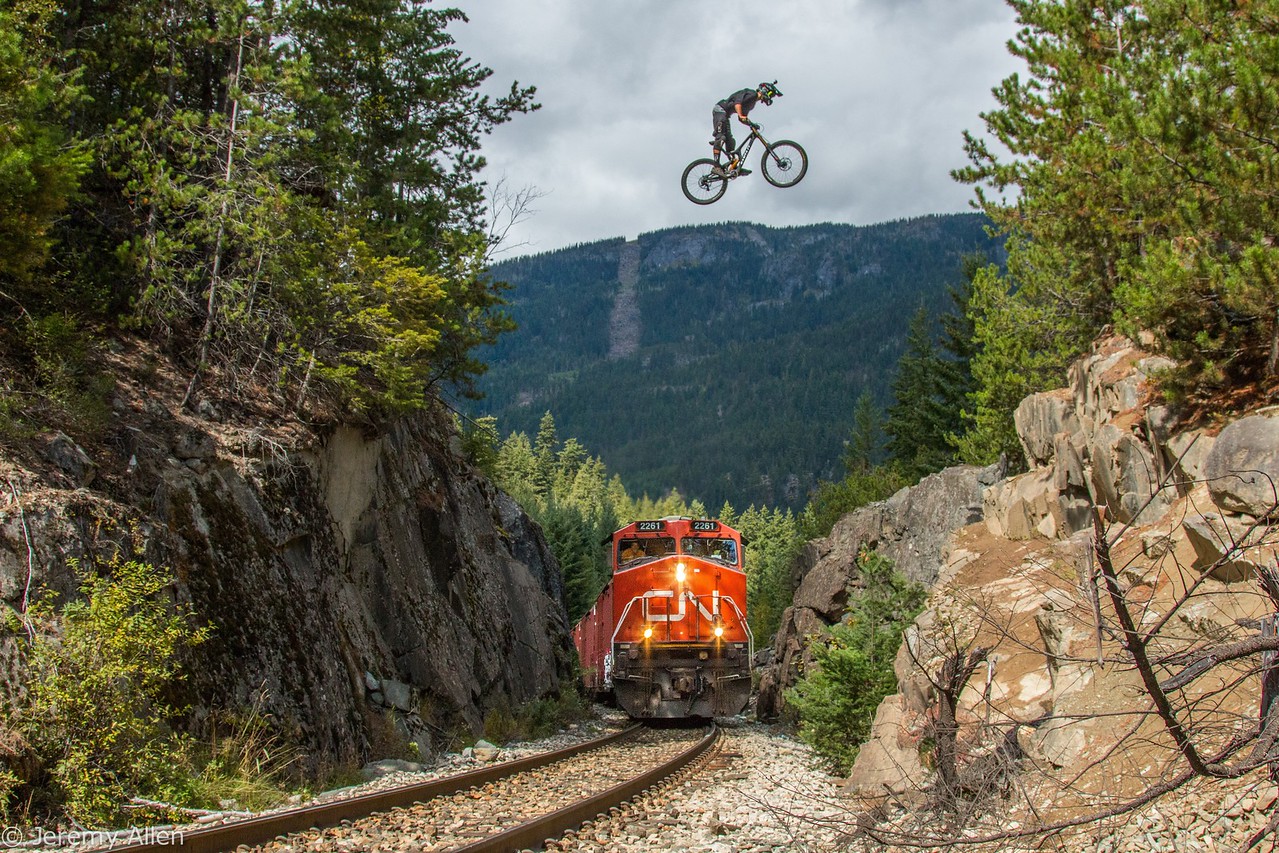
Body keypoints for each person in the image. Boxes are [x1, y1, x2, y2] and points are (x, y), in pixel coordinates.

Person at [711, 81, 782, 176]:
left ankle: (734, 167)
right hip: (720, 110)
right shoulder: (752, 94)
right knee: (721, 138)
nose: (770, 97)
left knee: (730, 141)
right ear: (766, 91)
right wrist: (741, 115)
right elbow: (737, 103)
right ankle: (716, 167)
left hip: (726, 115)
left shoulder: (751, 105)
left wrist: (751, 124)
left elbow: (742, 119)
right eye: (771, 95)